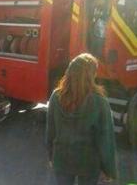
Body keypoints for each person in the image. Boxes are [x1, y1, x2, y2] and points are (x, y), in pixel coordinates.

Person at [46, 53, 117, 185]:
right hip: (88, 162)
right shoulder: (100, 101)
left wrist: (51, 156)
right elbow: (106, 139)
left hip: (62, 159)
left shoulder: (56, 96)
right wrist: (109, 170)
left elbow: (51, 130)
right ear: (91, 75)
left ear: (70, 72)